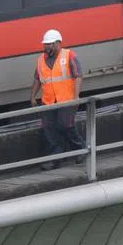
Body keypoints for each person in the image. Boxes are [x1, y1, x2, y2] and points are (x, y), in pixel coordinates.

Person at [30, 28, 84, 168]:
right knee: (48, 128)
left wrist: (76, 97)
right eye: (46, 44)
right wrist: (33, 97)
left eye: (50, 44)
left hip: (67, 99)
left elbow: (78, 76)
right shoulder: (41, 60)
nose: (47, 47)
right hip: (49, 101)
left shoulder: (69, 55)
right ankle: (56, 158)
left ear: (58, 43)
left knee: (65, 125)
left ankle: (80, 150)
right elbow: (37, 79)